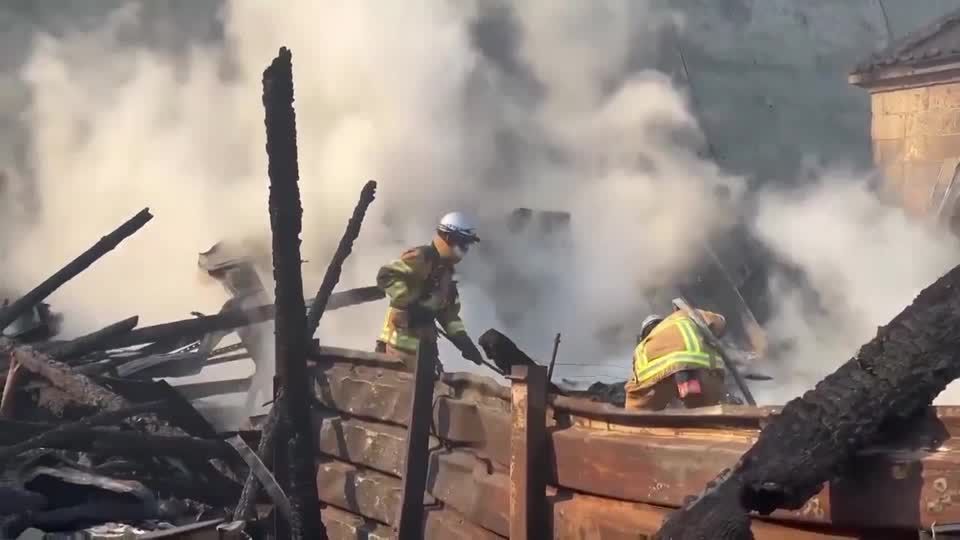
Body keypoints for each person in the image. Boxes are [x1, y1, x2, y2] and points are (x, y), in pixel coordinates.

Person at [375, 211, 485, 369]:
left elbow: (449, 315)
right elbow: (386, 275)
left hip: (425, 351)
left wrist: (464, 342)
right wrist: (410, 303)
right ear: (448, 238)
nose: (465, 251)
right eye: (463, 244)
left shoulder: (447, 275)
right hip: (397, 349)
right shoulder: (421, 257)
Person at [623, 305, 728, 411]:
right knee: (712, 405)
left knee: (636, 411)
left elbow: (634, 386)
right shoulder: (684, 315)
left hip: (660, 379)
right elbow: (719, 321)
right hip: (707, 368)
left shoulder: (641, 348)